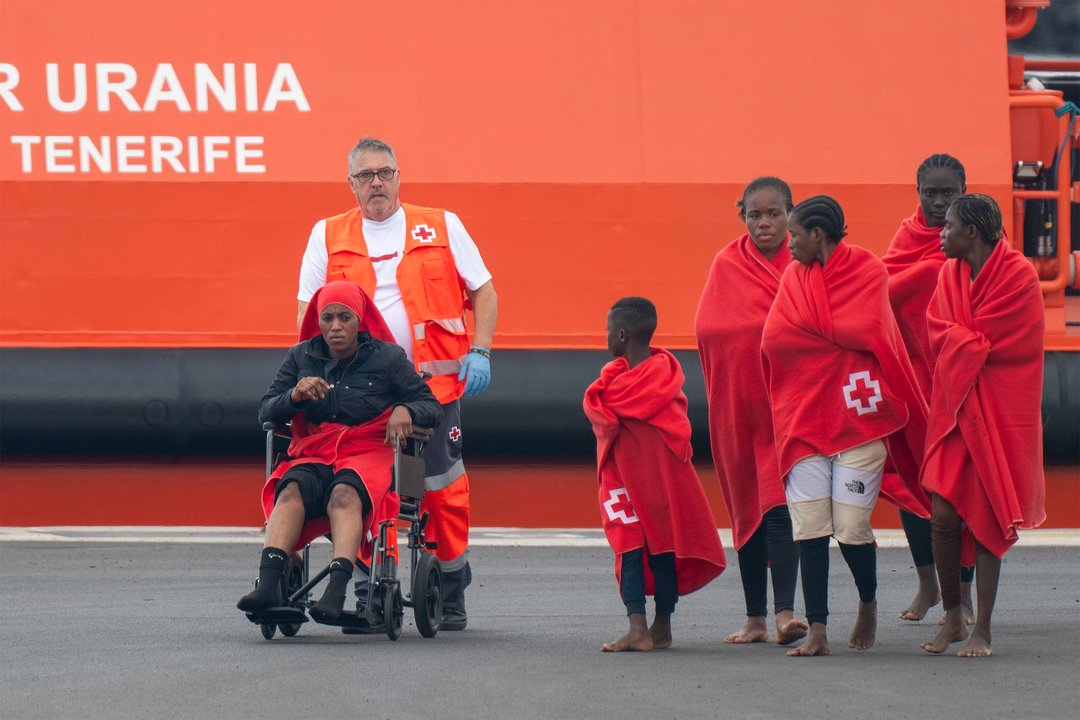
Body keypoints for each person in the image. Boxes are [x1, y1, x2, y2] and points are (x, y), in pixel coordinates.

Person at [296, 136, 497, 630]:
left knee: (442, 492)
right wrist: (311, 375)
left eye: (384, 172)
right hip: (361, 398)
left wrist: (482, 350)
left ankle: (451, 592)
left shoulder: (443, 226)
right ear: (351, 184)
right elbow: (308, 313)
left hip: (433, 394)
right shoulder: (326, 235)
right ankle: (367, 591)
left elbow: (484, 289)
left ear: (399, 176)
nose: (377, 183)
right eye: (366, 176)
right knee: (364, 492)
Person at [761, 195, 931, 657]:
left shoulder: (868, 271)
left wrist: (821, 338)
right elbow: (775, 339)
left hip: (860, 416)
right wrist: (830, 342)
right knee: (811, 527)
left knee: (852, 526)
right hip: (804, 418)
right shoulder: (793, 278)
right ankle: (817, 629)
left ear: (817, 235)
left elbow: (869, 330)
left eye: (793, 234)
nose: (787, 243)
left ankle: (868, 602)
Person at [238, 281, 443, 622]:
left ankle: (335, 593)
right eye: (328, 318)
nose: (335, 326)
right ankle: (267, 586)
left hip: (369, 451)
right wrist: (294, 397)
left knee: (344, 495)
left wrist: (406, 410)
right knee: (289, 491)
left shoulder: (388, 358)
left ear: (359, 319)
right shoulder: (301, 356)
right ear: (318, 321)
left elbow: (430, 406)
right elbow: (265, 410)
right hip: (316, 450)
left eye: (344, 317)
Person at [920, 194, 1045, 658]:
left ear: (970, 232)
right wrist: (969, 343)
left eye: (948, 226)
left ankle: (984, 630)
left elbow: (1016, 346)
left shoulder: (1020, 277)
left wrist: (965, 342)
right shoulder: (948, 275)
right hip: (955, 409)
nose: (941, 232)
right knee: (942, 513)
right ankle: (953, 615)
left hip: (1000, 410)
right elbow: (938, 329)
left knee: (991, 513)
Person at [695, 176, 806, 645]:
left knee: (780, 508)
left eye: (774, 214)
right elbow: (710, 328)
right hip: (737, 406)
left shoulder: (803, 263)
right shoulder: (726, 263)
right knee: (746, 510)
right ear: (742, 214)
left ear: (790, 214)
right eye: (755, 215)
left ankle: (785, 613)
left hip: (787, 409)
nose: (764, 223)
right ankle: (755, 618)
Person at [584, 297, 726, 652]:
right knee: (663, 544)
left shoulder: (610, 388)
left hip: (624, 479)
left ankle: (638, 627)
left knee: (629, 545)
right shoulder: (668, 382)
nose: (604, 339)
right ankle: (661, 625)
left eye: (606, 332)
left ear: (619, 334)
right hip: (662, 480)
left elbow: (604, 421)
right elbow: (679, 436)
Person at [884, 153, 975, 624]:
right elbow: (881, 294)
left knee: (962, 488)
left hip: (959, 379)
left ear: (964, 190)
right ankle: (927, 585)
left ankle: (961, 590)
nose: (939, 202)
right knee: (910, 483)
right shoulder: (905, 238)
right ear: (916, 192)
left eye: (948, 193)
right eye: (930, 193)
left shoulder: (979, 237)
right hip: (911, 378)